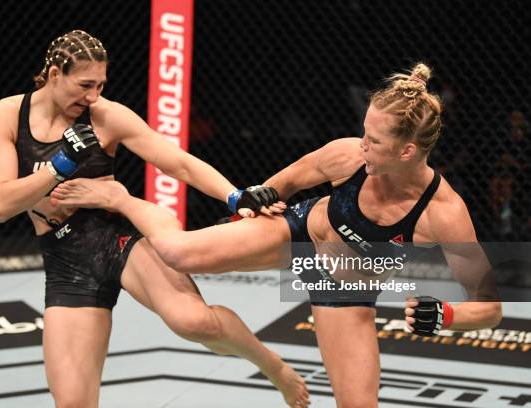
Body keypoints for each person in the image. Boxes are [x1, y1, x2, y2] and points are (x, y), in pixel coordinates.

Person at [52, 63, 502, 408]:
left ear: (408, 151)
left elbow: (490, 307)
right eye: (363, 132)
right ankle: (119, 197)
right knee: (175, 250)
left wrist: (447, 316)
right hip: (299, 231)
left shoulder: (444, 213)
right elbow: (280, 185)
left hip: (343, 287)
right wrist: (254, 204)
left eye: (375, 142)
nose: (362, 145)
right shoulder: (347, 156)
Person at [0, 30, 309, 408]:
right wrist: (60, 166)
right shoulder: (4, 116)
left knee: (193, 322)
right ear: (55, 74)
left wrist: (234, 196)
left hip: (118, 236)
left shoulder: (107, 116)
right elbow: (1, 204)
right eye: (85, 85)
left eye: (100, 85)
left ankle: (275, 369)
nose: (92, 96)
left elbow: (178, 162)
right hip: (64, 257)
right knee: (72, 403)